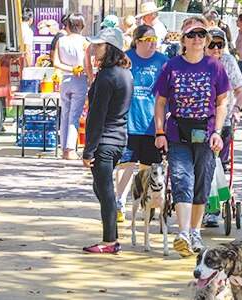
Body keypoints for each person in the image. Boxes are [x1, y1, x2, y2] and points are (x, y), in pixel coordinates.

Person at [152, 17, 231, 257]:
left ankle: (196, 231)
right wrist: (159, 131)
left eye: (201, 34)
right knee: (180, 179)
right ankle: (183, 233)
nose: (196, 39)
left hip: (206, 133)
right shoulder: (171, 66)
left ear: (206, 40)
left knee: (202, 181)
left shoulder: (214, 66)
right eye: (191, 35)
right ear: (183, 41)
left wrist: (218, 131)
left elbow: (222, 102)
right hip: (177, 131)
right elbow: (161, 102)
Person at [82, 28, 134, 254]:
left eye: (99, 45)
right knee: (102, 188)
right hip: (118, 139)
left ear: (110, 48)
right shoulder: (125, 73)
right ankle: (110, 236)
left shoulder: (107, 76)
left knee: (105, 191)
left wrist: (88, 150)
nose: (94, 49)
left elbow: (97, 115)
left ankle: (110, 240)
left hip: (105, 140)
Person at [113, 25, 170, 226]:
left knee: (148, 167)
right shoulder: (125, 58)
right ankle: (119, 202)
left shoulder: (163, 61)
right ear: (137, 41)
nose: (152, 43)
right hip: (128, 122)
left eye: (154, 39)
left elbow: (169, 92)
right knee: (126, 164)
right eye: (148, 39)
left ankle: (147, 204)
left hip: (153, 124)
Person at [203, 28, 242, 228]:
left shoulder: (228, 61)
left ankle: (212, 208)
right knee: (200, 166)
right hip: (197, 121)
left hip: (223, 123)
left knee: (215, 165)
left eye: (220, 45)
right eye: (211, 44)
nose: (215, 49)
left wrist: (236, 108)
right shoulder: (194, 60)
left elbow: (241, 91)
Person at [52, 14, 90, 160]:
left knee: (65, 115)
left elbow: (56, 63)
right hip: (79, 80)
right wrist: (91, 80)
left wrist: (69, 69)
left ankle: (64, 149)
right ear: (80, 25)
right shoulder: (84, 42)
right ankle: (70, 149)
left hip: (65, 79)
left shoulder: (60, 41)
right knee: (74, 115)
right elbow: (88, 65)